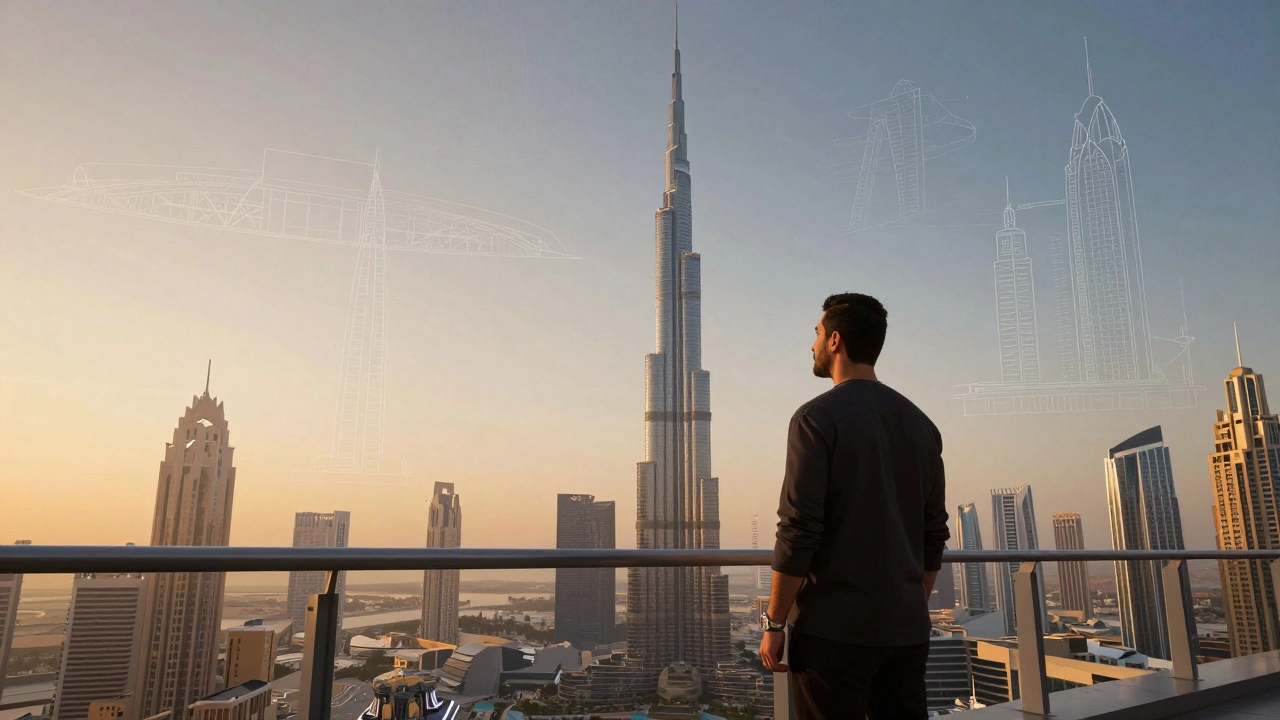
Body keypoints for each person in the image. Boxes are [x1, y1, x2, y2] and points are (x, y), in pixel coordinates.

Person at [758, 293, 949, 720]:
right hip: (907, 630)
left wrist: (774, 624)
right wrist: (906, 605)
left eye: (817, 334)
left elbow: (798, 530)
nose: (811, 344)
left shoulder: (814, 419)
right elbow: (933, 532)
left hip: (834, 635)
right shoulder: (922, 424)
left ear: (835, 341)